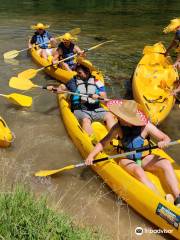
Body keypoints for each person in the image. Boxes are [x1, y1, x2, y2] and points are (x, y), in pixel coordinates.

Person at [85, 99, 180, 207]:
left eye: (123, 117)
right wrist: (91, 155)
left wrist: (164, 142)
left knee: (165, 163)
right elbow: (103, 142)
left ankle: (178, 198)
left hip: (144, 157)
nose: (119, 118)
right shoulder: (118, 127)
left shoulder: (146, 126)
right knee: (138, 171)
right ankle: (161, 200)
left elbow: (165, 137)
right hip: (126, 158)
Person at [48, 64, 116, 143]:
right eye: (77, 72)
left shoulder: (97, 82)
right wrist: (57, 89)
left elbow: (104, 100)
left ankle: (115, 138)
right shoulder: (73, 81)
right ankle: (92, 142)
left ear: (87, 72)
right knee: (86, 120)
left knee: (109, 116)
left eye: (80, 73)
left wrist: (98, 97)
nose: (78, 75)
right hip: (80, 109)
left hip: (96, 108)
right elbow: (63, 87)